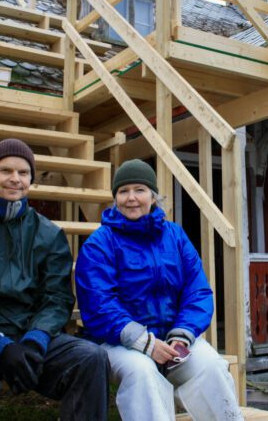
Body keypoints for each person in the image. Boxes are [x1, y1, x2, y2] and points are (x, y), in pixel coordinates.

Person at [0, 138, 109, 421]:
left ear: (31, 179)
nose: (15, 179)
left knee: (90, 357)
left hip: (29, 335)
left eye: (23, 172)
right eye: (6, 171)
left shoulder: (48, 233)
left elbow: (57, 298)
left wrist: (35, 340)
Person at [75, 159, 242, 421]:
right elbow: (98, 303)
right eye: (123, 191)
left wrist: (183, 334)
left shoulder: (174, 235)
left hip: (173, 340)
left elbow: (197, 290)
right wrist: (145, 343)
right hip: (121, 343)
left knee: (211, 366)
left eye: (139, 190)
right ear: (115, 198)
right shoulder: (100, 243)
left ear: (153, 196)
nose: (131, 198)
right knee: (142, 373)